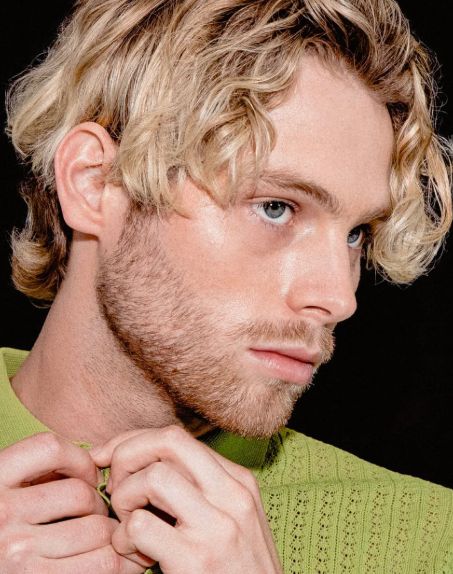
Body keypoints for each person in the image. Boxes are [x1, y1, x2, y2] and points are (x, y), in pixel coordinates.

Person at [1, 0, 453, 572]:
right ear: (95, 185)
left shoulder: (425, 541)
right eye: (275, 207)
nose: (340, 298)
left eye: (356, 234)